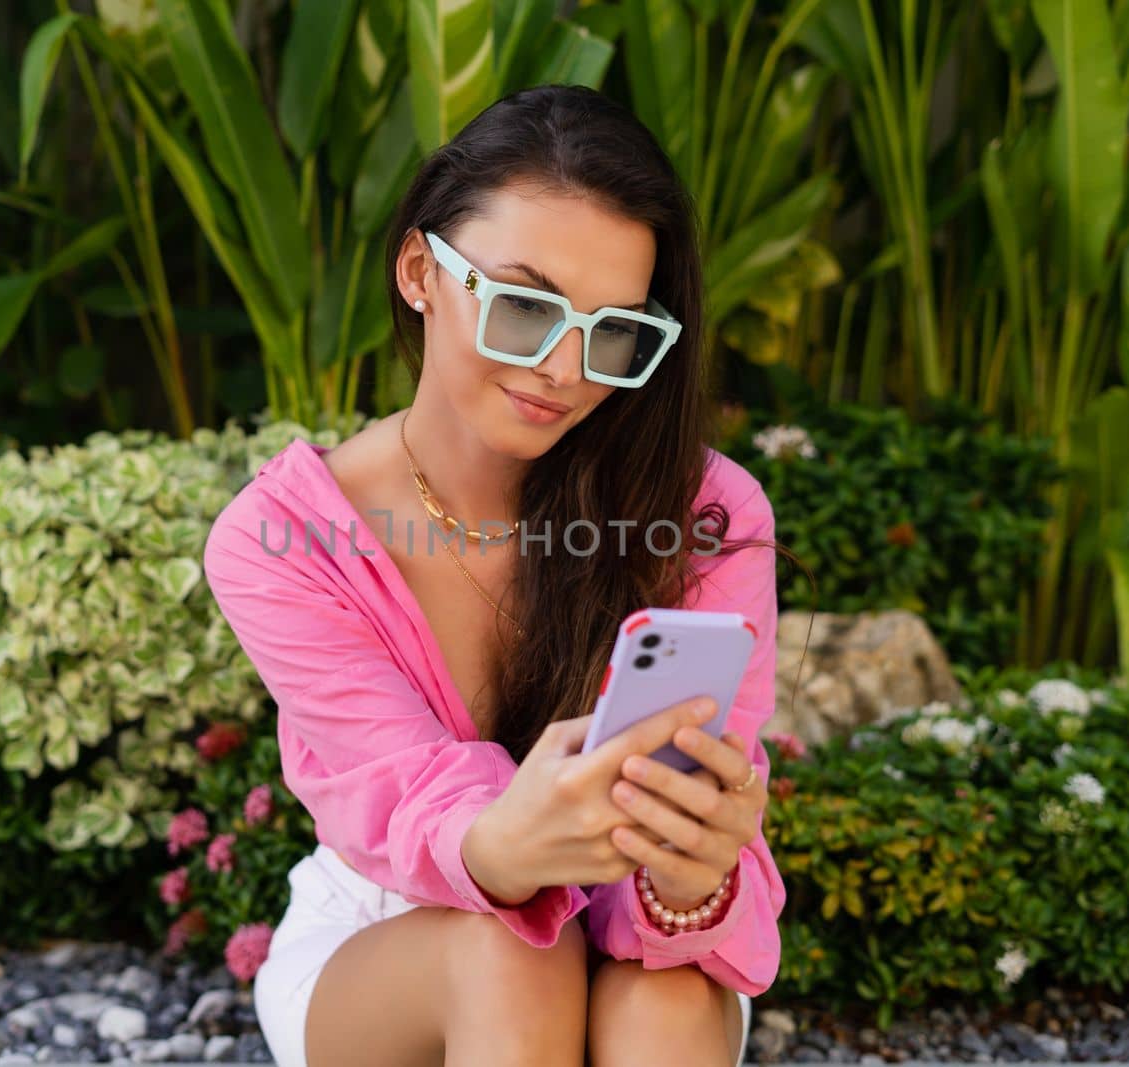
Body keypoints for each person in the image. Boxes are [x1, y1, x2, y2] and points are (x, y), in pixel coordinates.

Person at [203, 83, 791, 1067]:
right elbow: (405, 800)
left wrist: (692, 872)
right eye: (523, 305)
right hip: (390, 930)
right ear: (418, 272)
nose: (565, 368)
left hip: (632, 927)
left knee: (663, 998)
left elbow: (688, 853)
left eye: (613, 333)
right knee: (510, 953)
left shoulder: (703, 516)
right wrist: (504, 842)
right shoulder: (286, 535)